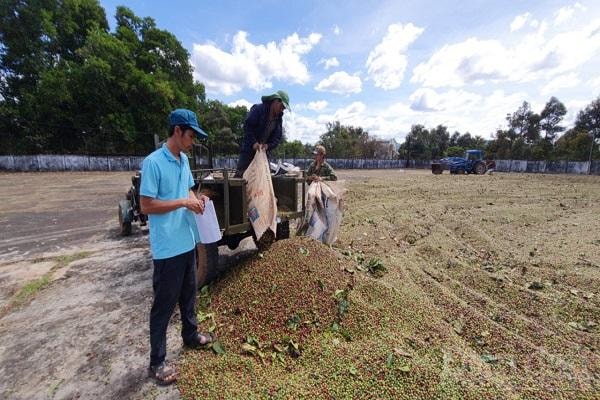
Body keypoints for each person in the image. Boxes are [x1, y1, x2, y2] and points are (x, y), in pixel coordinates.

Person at [140, 108, 216, 386]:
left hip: (186, 241)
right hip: (167, 247)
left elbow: (189, 190)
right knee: (163, 304)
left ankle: (190, 335)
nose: (192, 140)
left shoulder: (183, 160)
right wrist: (184, 202)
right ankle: (157, 361)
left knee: (189, 295)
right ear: (177, 131)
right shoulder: (153, 163)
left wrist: (197, 200)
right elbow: (146, 205)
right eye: (191, 135)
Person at [235, 90, 290, 177]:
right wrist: (254, 142)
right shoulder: (258, 109)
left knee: (265, 178)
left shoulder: (279, 119)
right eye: (281, 106)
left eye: (284, 108)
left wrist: (268, 146)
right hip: (248, 151)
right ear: (275, 101)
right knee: (241, 177)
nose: (282, 110)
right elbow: (247, 126)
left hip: (264, 153)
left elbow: (277, 138)